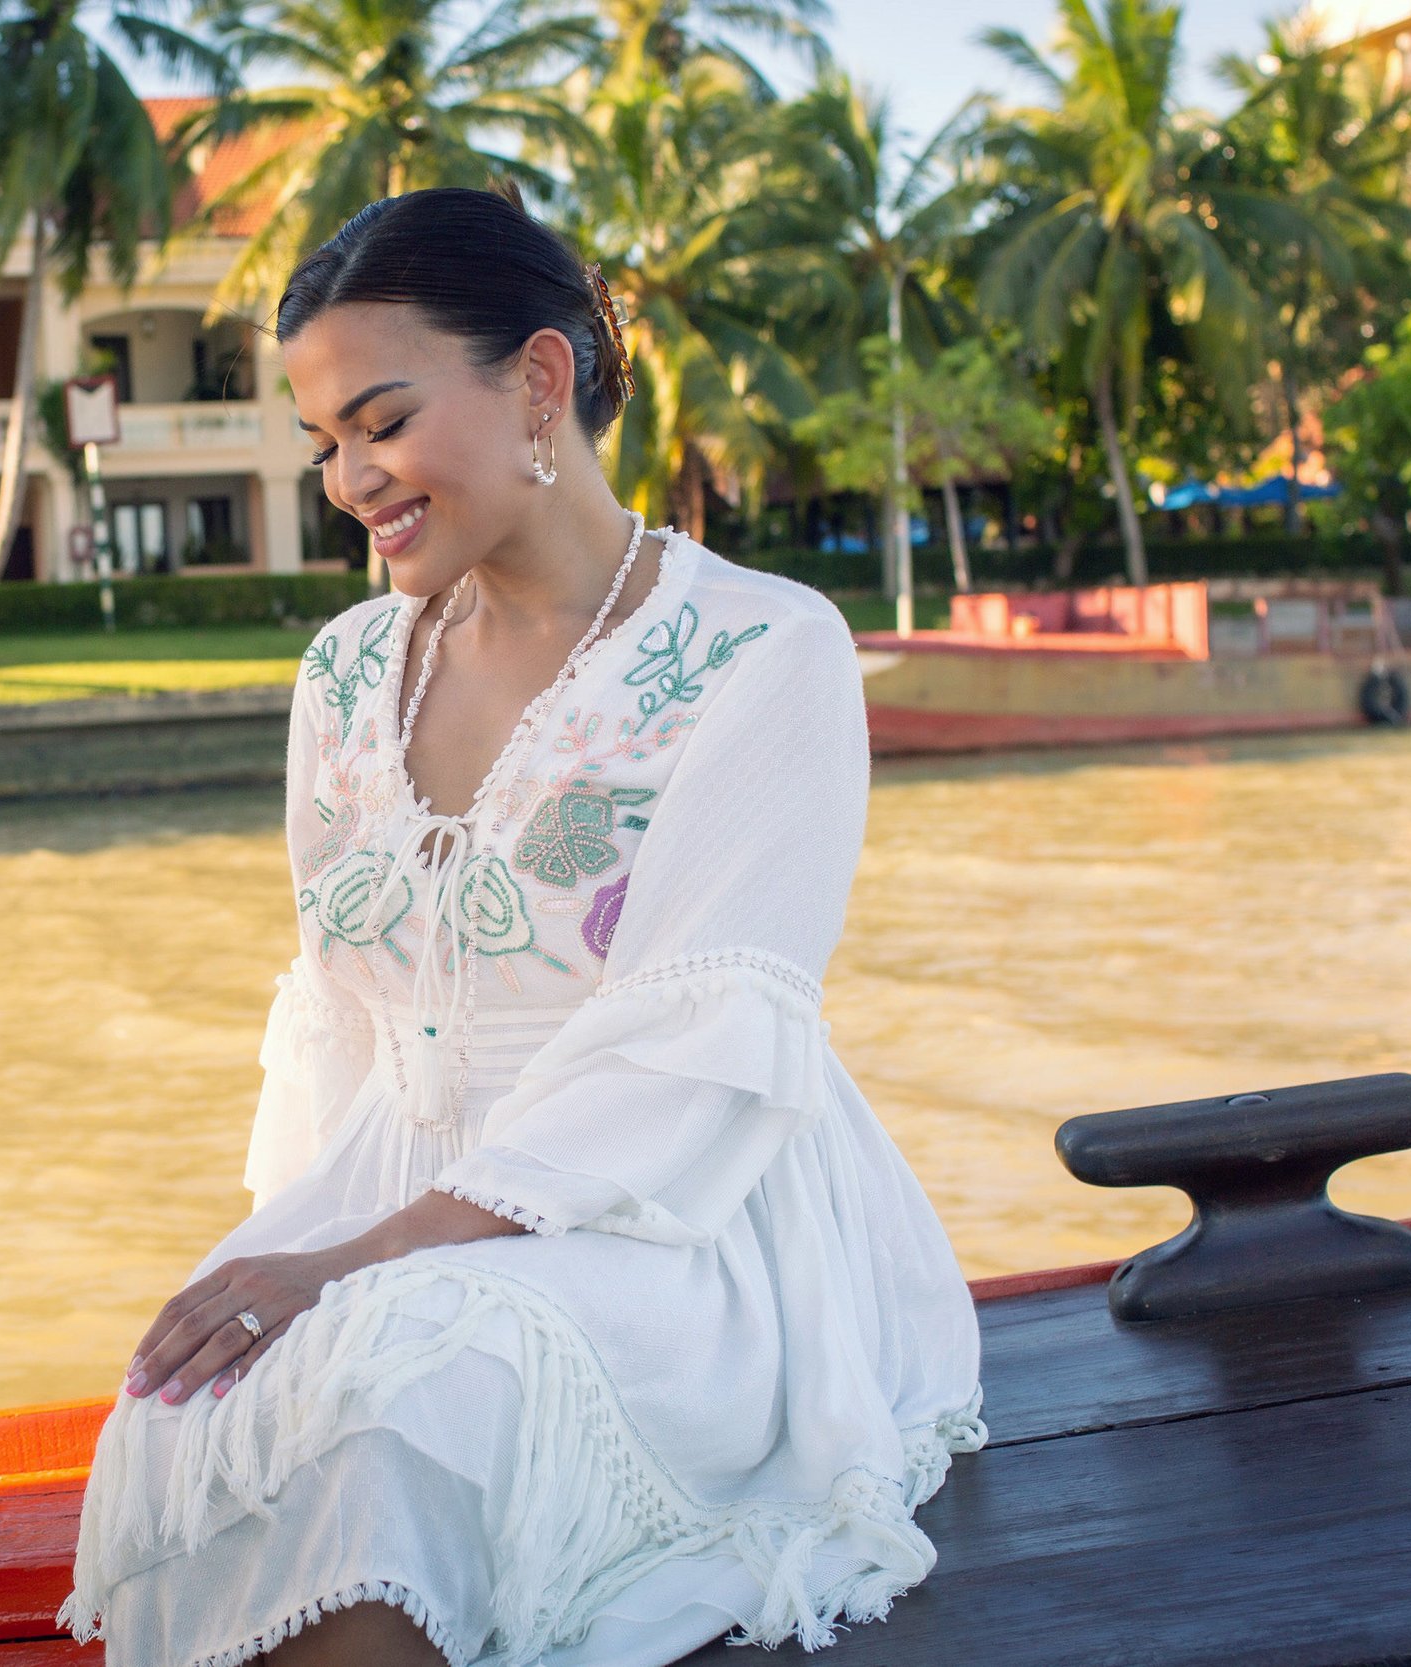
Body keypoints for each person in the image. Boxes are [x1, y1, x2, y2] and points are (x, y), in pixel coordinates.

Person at [57, 185, 984, 1667]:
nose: (351, 477)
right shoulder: (349, 671)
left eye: (382, 420)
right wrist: (298, 1253)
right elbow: (343, 1022)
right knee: (205, 1411)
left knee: (401, 1401)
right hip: (399, 1198)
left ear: (539, 382)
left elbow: (689, 1056)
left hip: (677, 1223)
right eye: (325, 443)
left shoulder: (763, 648)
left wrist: (357, 1272)